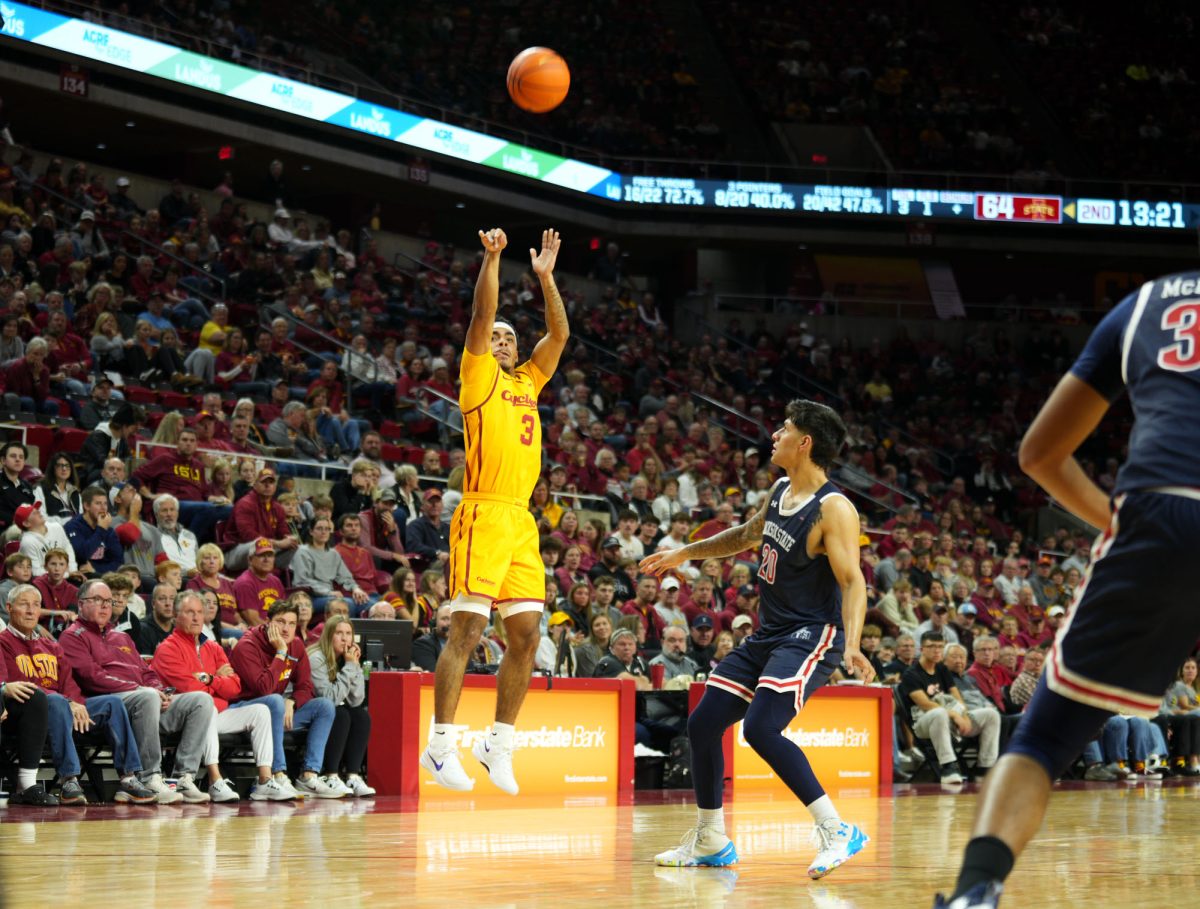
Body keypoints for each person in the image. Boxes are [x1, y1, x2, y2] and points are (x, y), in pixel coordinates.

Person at [933, 270, 1200, 908]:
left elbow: (1038, 455)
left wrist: (1122, 522)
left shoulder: (1149, 304)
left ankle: (977, 894)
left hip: (1161, 508)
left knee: (1045, 740)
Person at [640, 399, 873, 878]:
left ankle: (836, 830)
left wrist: (851, 643)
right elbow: (747, 534)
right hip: (771, 633)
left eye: (784, 428)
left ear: (804, 443)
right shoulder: (782, 489)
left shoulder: (834, 509)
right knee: (703, 725)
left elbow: (853, 581)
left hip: (812, 634)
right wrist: (686, 552)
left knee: (761, 729)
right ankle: (711, 839)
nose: (775, 435)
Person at [421, 227, 569, 797]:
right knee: (467, 628)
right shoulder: (478, 377)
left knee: (528, 635)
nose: (503, 341)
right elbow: (483, 315)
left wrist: (547, 278)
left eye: (511, 337)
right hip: (482, 513)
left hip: (521, 521)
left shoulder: (530, 380)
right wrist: (493, 258)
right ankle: (440, 746)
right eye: (499, 338)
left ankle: (497, 744)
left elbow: (559, 332)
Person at [60, 579, 239, 803]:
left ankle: (183, 777)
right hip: (107, 704)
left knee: (201, 700)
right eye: (97, 600)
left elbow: (147, 672)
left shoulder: (122, 637)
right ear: (80, 604)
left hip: (146, 701)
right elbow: (92, 677)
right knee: (147, 696)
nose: (105, 606)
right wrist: (143, 690)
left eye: (108, 601)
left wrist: (159, 690)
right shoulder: (73, 636)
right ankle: (149, 776)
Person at [0, 584, 157, 805]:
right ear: (8, 608)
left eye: (35, 605)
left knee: (112, 703)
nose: (30, 611)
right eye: (23, 604)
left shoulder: (49, 644)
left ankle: (129, 778)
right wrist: (67, 702)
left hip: (65, 705)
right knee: (54, 700)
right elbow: (17, 684)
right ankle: (69, 780)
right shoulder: (3, 642)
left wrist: (75, 702)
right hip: (30, 714)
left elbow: (68, 681)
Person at [152, 589, 287, 801]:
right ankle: (215, 780)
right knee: (206, 704)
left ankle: (264, 780)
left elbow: (235, 687)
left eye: (199, 612)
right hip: (183, 715)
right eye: (189, 612)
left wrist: (210, 679)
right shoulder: (167, 649)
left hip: (217, 710)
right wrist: (217, 684)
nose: (196, 617)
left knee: (260, 711)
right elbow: (190, 689)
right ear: (176, 616)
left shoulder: (212, 646)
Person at [228, 597, 343, 798]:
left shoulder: (296, 645)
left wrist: (293, 701)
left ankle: (308, 775)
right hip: (243, 710)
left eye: (291, 624)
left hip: (276, 713)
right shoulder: (247, 646)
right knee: (273, 700)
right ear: (267, 622)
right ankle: (278, 774)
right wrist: (280, 653)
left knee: (324, 706)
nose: (286, 629)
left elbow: (306, 685)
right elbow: (264, 688)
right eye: (280, 622)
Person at [307, 616, 376, 796]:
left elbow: (356, 700)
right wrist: (350, 667)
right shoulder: (316, 658)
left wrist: (354, 666)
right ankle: (331, 775)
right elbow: (330, 698)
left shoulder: (346, 659)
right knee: (340, 714)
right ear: (329, 636)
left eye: (348, 634)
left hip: (328, 709)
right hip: (306, 709)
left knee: (360, 716)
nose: (345, 639)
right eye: (339, 633)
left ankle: (352, 776)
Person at [233, 538, 286, 627]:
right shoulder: (245, 583)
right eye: (261, 555)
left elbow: (285, 611)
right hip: (261, 633)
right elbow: (254, 622)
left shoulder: (276, 581)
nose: (266, 559)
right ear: (250, 559)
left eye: (270, 555)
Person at [16, 501, 77, 576]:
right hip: (44, 583)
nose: (39, 512)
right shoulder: (27, 542)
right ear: (26, 523)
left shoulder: (56, 527)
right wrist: (67, 574)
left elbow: (67, 547)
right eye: (34, 513)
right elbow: (35, 572)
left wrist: (73, 569)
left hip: (66, 575)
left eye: (37, 510)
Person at [413, 603, 453, 672]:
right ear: (434, 622)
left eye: (454, 619)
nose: (450, 623)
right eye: (445, 619)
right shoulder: (422, 644)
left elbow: (471, 672)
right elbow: (434, 674)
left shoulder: (463, 645)